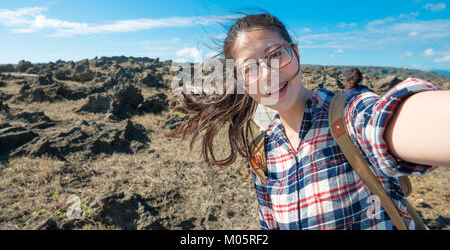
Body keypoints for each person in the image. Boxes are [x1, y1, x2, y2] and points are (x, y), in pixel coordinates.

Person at [166, 12, 449, 230]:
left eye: (276, 54)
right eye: (249, 68)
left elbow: (384, 121)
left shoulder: (348, 115)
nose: (267, 74)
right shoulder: (261, 156)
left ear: (296, 52)